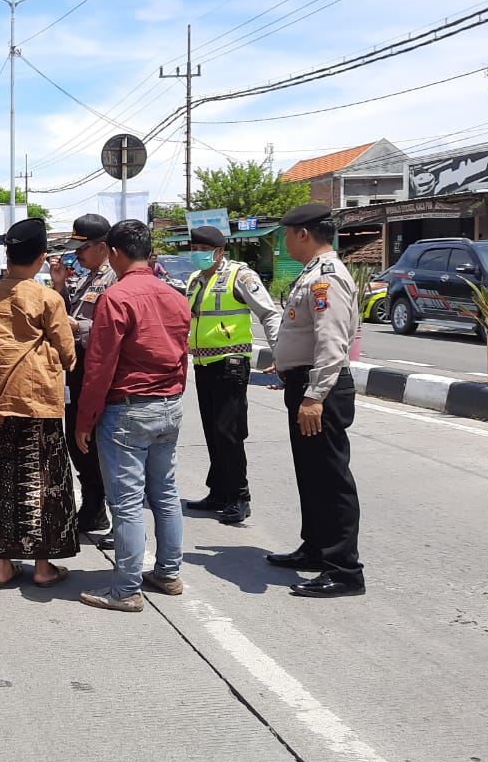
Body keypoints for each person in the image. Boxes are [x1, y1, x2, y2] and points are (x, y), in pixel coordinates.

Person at [74, 219, 191, 613]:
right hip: (168, 404)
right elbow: (182, 356)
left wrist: (85, 419)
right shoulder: (175, 296)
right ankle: (168, 573)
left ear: (114, 253)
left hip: (127, 410)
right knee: (165, 494)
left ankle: (126, 589)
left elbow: (100, 367)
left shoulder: (116, 298)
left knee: (125, 503)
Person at [0, 218, 79, 589]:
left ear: (8, 257)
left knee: (2, 481)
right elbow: (68, 354)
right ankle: (43, 567)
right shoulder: (48, 298)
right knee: (42, 479)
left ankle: (3, 566)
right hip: (37, 401)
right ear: (41, 258)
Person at [264, 203, 365, 598]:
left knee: (330, 478)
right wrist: (287, 365)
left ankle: (344, 570)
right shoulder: (311, 273)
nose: (285, 241)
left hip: (321, 390)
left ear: (303, 233)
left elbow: (332, 342)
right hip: (304, 385)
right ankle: (316, 549)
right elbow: (306, 334)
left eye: (287, 234)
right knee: (311, 475)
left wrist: (315, 395)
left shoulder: (327, 277)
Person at [184, 225, 281, 524]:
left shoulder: (240, 276)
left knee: (229, 432)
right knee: (212, 431)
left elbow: (269, 313)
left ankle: (240, 496)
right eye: (194, 250)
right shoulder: (195, 279)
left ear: (219, 251)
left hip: (230, 362)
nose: (198, 255)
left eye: (204, 250)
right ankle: (218, 492)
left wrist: (280, 353)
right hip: (203, 363)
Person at [49, 213, 115, 548]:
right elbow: (67, 312)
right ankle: (93, 505)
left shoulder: (114, 278)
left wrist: (78, 327)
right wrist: (59, 285)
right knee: (77, 437)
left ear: (102, 247)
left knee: (101, 442)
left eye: (83, 248)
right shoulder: (86, 278)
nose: (77, 255)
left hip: (100, 367)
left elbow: (112, 327)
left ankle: (114, 511)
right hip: (77, 366)